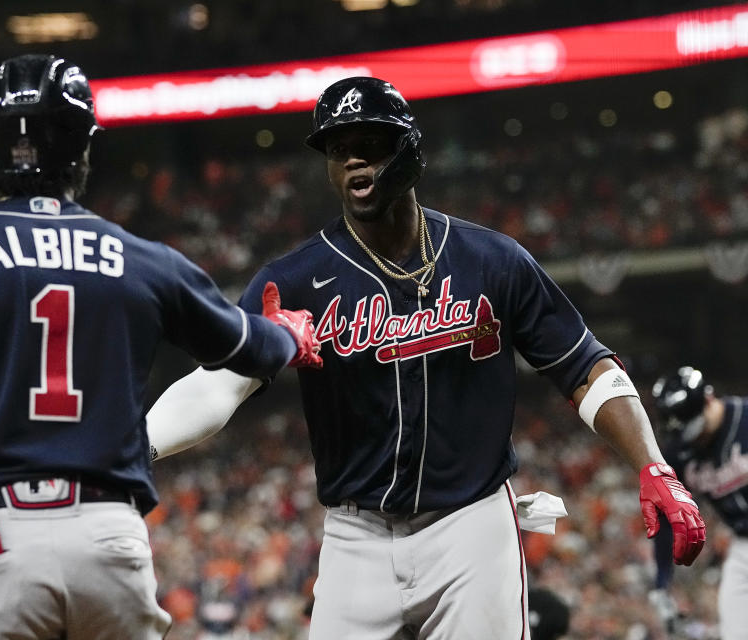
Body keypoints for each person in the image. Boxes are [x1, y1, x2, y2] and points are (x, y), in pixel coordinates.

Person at [146, 76, 706, 639]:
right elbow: (220, 384)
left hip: (471, 524)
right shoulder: (293, 282)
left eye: (371, 143)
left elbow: (584, 367)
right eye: (339, 150)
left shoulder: (492, 260)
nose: (354, 162)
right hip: (355, 535)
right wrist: (135, 445)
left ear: (409, 150)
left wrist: (652, 462)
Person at [0, 53, 321, 640]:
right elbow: (249, 348)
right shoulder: (144, 259)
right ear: (81, 150)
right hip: (110, 538)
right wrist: (289, 335)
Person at [649, 366, 748, 640]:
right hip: (742, 545)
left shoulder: (745, 418)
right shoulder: (681, 452)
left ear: (709, 399)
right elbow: (668, 516)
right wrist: (662, 582)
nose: (694, 438)